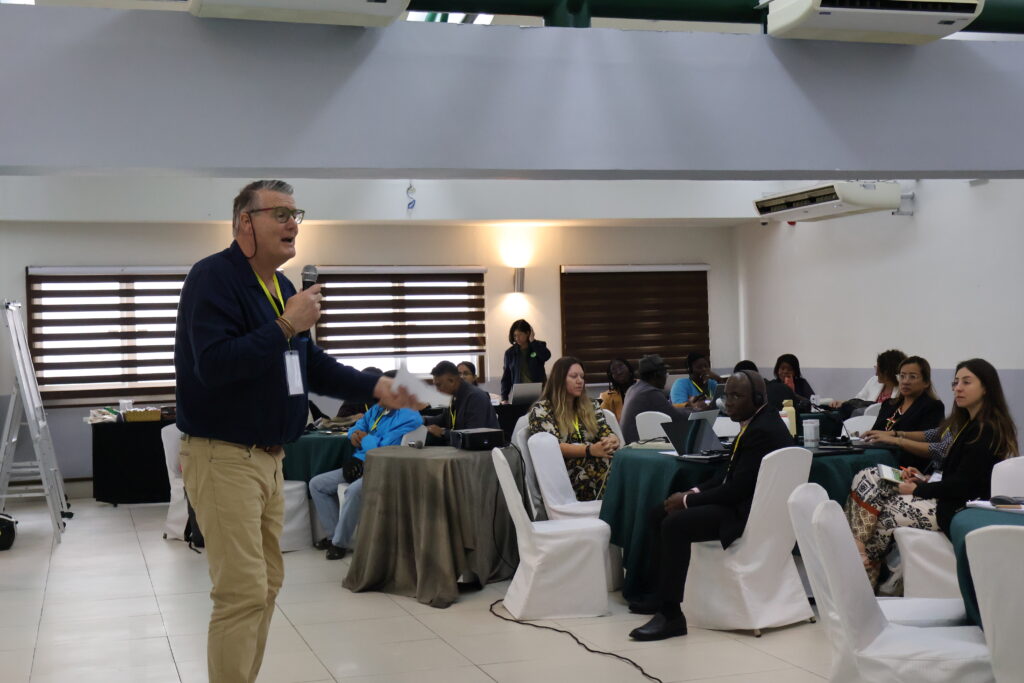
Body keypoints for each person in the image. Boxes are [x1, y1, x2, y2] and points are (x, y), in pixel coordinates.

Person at [174, 180, 411, 683]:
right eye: (280, 214)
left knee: (266, 585)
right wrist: (285, 325)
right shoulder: (212, 278)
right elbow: (213, 365)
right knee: (241, 591)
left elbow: (312, 365)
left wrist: (376, 386)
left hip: (269, 457)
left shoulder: (281, 289)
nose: (292, 224)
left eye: (295, 214)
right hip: (223, 455)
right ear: (245, 222)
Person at [628, 370, 793, 641]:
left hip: (744, 515)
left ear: (758, 398)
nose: (729, 403)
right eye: (727, 396)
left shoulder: (761, 431)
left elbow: (735, 490)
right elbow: (726, 476)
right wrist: (691, 492)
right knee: (660, 512)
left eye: (737, 396)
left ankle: (671, 615)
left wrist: (686, 501)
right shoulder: (758, 421)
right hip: (741, 504)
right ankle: (660, 594)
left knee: (674, 524)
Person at [845, 358, 1018, 589]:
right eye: (956, 382)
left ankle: (861, 572)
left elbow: (965, 485)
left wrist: (919, 488)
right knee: (867, 475)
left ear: (986, 387)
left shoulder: (986, 430)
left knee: (885, 512)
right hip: (946, 495)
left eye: (966, 382)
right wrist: (925, 478)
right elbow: (956, 472)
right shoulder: (967, 423)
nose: (958, 388)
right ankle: (860, 554)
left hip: (958, 509)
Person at [309, 370, 423, 560]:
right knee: (317, 484)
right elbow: (359, 425)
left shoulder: (410, 417)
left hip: (386, 468)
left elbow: (386, 448)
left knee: (353, 491)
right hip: (362, 463)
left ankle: (339, 543)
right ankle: (333, 535)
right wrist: (354, 434)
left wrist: (365, 439)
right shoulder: (379, 409)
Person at [527, 356, 620, 501]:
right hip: (564, 475)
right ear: (559, 380)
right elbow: (552, 448)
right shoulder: (542, 410)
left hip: (594, 463)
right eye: (573, 376)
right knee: (610, 464)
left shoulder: (591, 405)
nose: (580, 381)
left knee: (622, 461)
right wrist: (590, 450)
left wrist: (612, 440)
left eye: (582, 376)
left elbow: (605, 430)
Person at [860, 356, 945, 466]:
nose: (905, 381)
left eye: (912, 377)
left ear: (926, 382)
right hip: (877, 456)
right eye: (902, 376)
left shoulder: (932, 406)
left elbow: (928, 443)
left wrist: (894, 438)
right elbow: (875, 434)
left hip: (907, 464)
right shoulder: (889, 404)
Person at [619, 354, 691, 445]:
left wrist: (689, 407)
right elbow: (676, 417)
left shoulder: (634, 388)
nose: (666, 377)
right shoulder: (650, 392)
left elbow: (669, 410)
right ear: (656, 375)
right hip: (639, 446)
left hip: (631, 444)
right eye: (665, 373)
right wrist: (697, 411)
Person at [423, 360, 499, 445]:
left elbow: (473, 434)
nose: (437, 390)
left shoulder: (475, 397)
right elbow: (445, 418)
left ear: (452, 381)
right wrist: (424, 420)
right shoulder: (455, 394)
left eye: (439, 385)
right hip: (463, 445)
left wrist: (443, 432)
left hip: (482, 449)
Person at [831, 349, 906, 418]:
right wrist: (843, 403)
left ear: (887, 373)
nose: (876, 374)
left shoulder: (903, 390)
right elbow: (859, 400)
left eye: (878, 370)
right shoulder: (873, 381)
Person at [500, 319, 551, 403]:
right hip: (519, 393)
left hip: (539, 392)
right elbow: (506, 377)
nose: (517, 338)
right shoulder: (510, 353)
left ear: (527, 333)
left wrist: (533, 341)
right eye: (515, 336)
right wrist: (504, 398)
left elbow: (546, 356)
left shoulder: (538, 346)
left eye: (520, 335)